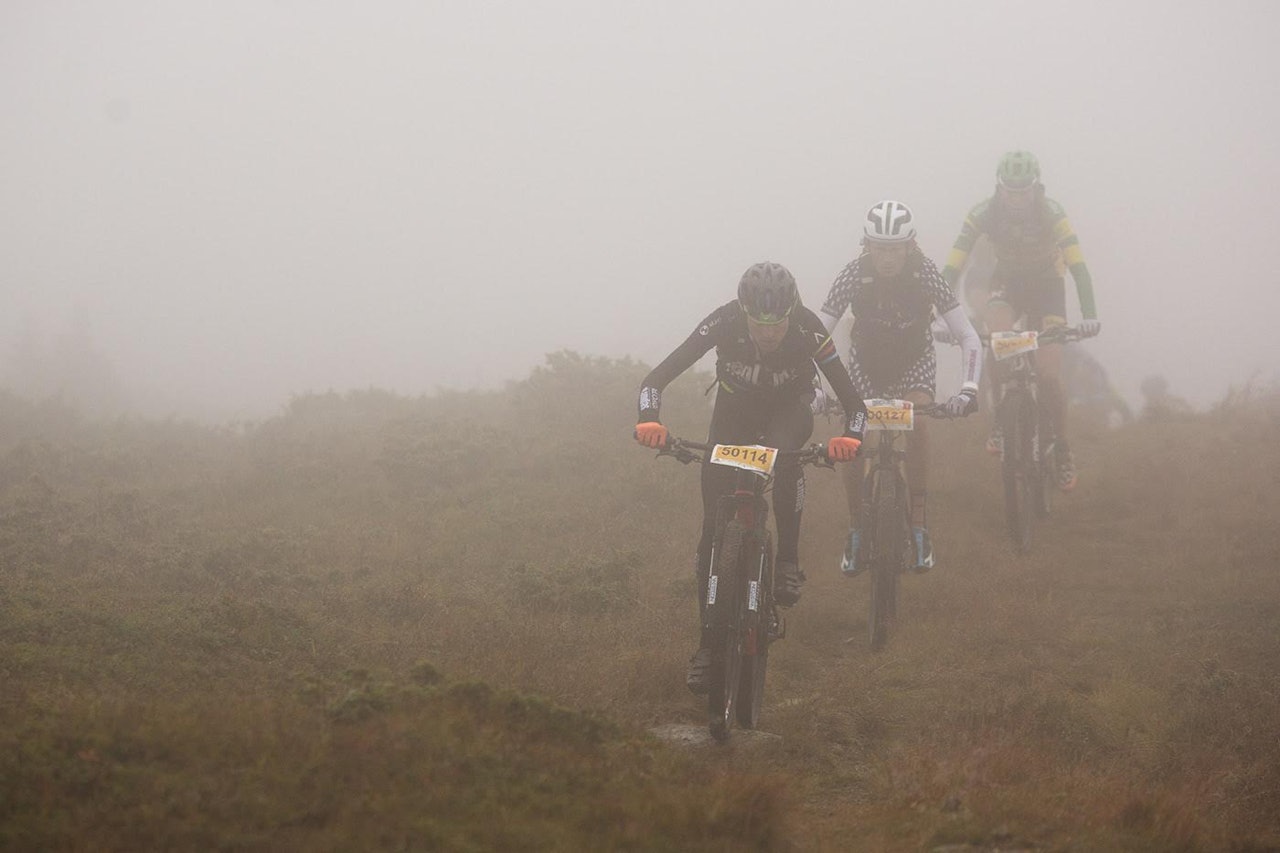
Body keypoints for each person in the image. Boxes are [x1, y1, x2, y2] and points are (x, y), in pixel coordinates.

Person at [634, 262, 868, 693]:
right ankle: (707, 646)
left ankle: (787, 561)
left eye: (777, 324)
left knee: (785, 455)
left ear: (791, 313)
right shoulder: (723, 320)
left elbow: (854, 405)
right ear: (743, 312)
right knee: (711, 533)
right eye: (759, 324)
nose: (769, 333)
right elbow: (655, 379)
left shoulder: (809, 328)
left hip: (789, 410)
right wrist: (649, 419)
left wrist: (850, 439)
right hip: (733, 414)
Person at [819, 200, 982, 574]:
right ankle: (856, 527)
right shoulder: (852, 275)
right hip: (866, 364)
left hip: (914, 362)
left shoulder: (925, 273)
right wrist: (813, 388)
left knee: (918, 422)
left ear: (910, 246)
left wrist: (968, 389)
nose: (887, 258)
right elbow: (815, 334)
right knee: (852, 433)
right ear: (867, 246)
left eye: (895, 249)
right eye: (879, 248)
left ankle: (919, 524)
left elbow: (967, 335)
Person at [941, 150, 1101, 490]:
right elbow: (955, 263)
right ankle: (1002, 417)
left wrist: (1089, 315)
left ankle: (1062, 448)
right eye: (1010, 191)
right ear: (999, 187)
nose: (1016, 199)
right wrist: (938, 315)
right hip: (1007, 284)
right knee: (997, 340)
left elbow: (1078, 265)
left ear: (1036, 187)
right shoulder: (984, 213)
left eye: (1023, 192)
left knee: (1048, 374)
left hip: (1048, 287)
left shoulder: (1052, 212)